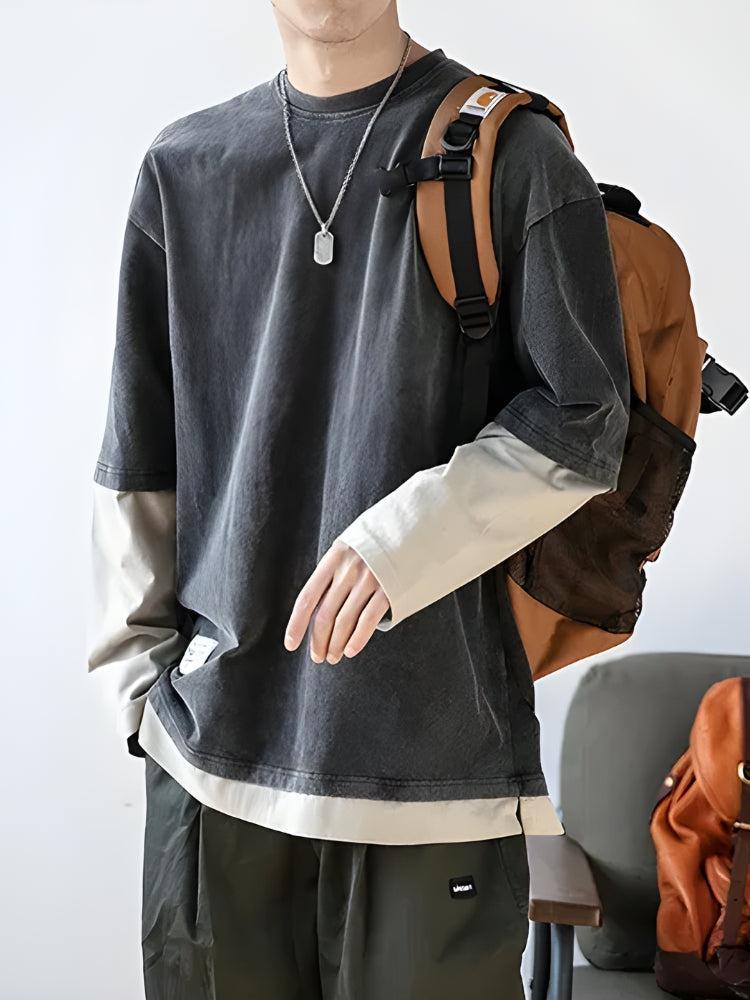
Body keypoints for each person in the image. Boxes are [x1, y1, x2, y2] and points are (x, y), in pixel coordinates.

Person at [87, 1, 629, 997]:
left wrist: (400, 543)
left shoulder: (515, 155)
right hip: (211, 766)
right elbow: (140, 450)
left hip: (433, 778)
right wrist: (136, 694)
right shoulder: (185, 168)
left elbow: (586, 418)